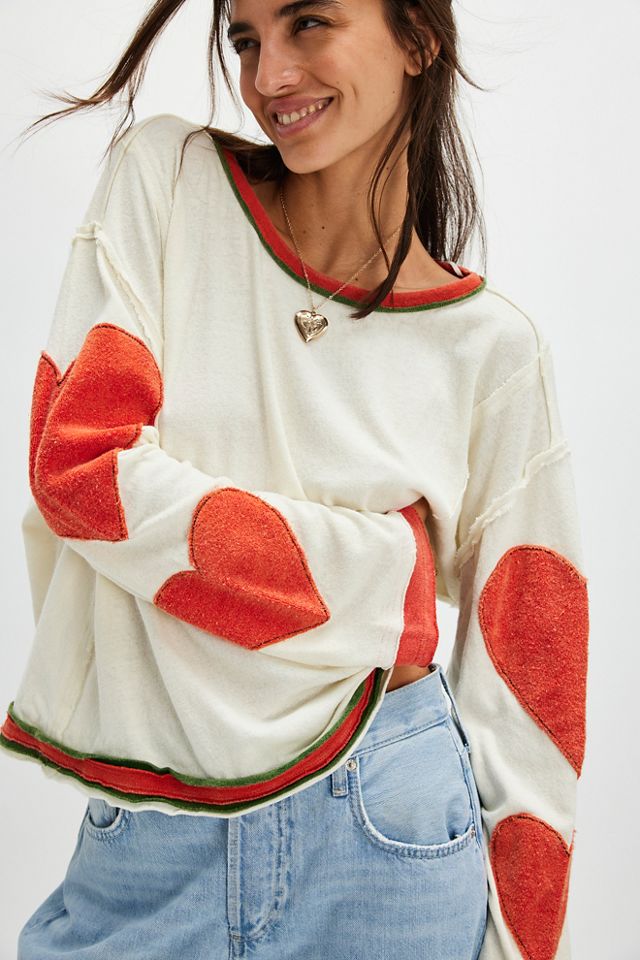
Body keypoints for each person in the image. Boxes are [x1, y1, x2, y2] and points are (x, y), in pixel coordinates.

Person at [1, 1, 589, 958]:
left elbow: (536, 698)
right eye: (246, 38)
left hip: (389, 828)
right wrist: (386, 579)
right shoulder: (170, 179)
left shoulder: (492, 351)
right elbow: (78, 468)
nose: (269, 75)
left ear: (418, 38)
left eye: (308, 22)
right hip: (153, 842)